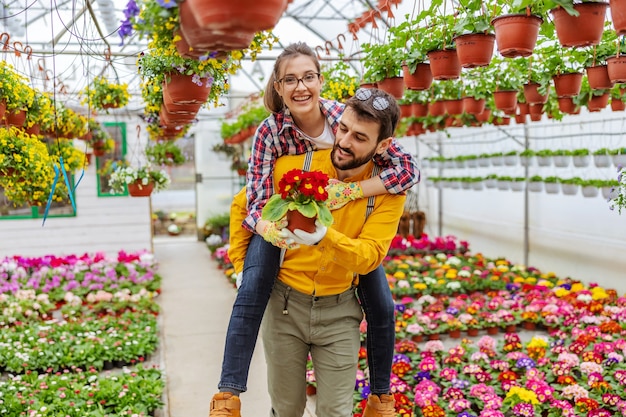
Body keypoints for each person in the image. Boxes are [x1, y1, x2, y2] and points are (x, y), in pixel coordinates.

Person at [209, 43, 420, 417]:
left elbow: (408, 171)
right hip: (275, 226)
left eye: (308, 77)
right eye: (289, 79)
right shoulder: (271, 133)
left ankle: (382, 395)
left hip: (337, 275)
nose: (300, 87)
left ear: (321, 81)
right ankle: (227, 395)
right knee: (252, 288)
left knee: (383, 305)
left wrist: (352, 190)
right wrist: (262, 236)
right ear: (277, 85)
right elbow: (252, 197)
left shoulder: (346, 115)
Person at [246, 88, 407, 417]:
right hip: (285, 309)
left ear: (383, 147)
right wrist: (243, 262)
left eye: (360, 137)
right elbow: (248, 206)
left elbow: (369, 256)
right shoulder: (295, 167)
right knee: (286, 408)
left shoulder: (388, 193)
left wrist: (324, 237)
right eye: (343, 129)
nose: (345, 141)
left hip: (339, 313)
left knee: (336, 411)